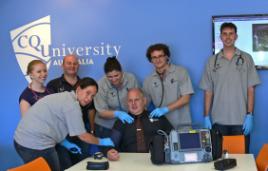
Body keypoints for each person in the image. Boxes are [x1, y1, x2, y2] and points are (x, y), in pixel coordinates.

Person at [14, 77, 114, 171]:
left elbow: (53, 124)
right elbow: (83, 136)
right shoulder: (72, 105)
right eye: (87, 93)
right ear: (78, 89)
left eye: (92, 96)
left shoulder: (65, 97)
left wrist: (65, 143)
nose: (89, 99)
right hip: (34, 144)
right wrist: (102, 142)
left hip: (20, 141)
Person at [199, 22, 261, 153]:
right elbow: (208, 91)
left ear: (236, 36)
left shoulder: (246, 58)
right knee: (219, 159)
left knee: (241, 159)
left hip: (241, 120)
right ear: (220, 37)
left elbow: (251, 89)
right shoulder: (212, 61)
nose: (228, 37)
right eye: (224, 34)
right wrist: (206, 116)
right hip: (218, 121)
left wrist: (250, 115)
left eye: (231, 34)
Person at [47, 54, 97, 167]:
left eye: (75, 63)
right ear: (62, 65)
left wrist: (92, 131)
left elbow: (91, 109)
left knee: (83, 164)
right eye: (69, 63)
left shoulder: (85, 84)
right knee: (66, 165)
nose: (72, 66)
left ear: (78, 66)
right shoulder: (53, 85)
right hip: (62, 136)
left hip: (81, 132)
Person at [106, 88, 172, 161]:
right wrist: (110, 152)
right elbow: (111, 145)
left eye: (137, 100)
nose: (133, 103)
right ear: (127, 103)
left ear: (144, 101)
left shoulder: (157, 117)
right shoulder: (121, 121)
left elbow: (172, 136)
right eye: (130, 100)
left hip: (155, 160)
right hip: (129, 162)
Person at [143, 43, 194, 129]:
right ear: (150, 60)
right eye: (154, 57)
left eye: (160, 56)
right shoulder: (148, 80)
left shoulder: (181, 72)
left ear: (167, 57)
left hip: (183, 126)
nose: (158, 60)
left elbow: (186, 98)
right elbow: (144, 103)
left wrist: (166, 109)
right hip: (162, 128)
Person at [94, 57, 139, 138]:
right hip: (105, 125)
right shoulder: (100, 84)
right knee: (110, 149)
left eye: (116, 75)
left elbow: (138, 99)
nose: (114, 79)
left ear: (121, 72)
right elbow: (101, 112)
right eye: (110, 77)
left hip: (127, 123)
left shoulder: (131, 79)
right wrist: (117, 113)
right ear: (105, 75)